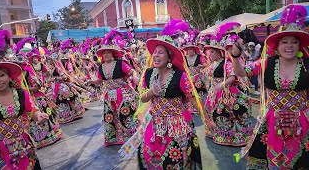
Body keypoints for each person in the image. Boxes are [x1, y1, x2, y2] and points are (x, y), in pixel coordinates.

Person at [229, 5, 309, 169]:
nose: (289, 46)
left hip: (301, 123)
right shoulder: (267, 64)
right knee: (271, 160)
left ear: (299, 45)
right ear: (277, 46)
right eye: (284, 42)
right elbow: (241, 72)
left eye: (294, 42)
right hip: (272, 122)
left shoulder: (307, 65)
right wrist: (235, 56)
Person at [133, 35, 203, 169]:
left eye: (161, 52)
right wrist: (151, 92)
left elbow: (194, 99)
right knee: (146, 154)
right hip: (153, 122)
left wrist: (207, 119)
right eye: (155, 53)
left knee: (175, 158)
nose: (156, 55)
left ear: (169, 57)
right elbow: (142, 98)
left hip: (176, 124)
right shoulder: (148, 74)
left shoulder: (180, 76)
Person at [0, 30, 48, 169]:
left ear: (9, 76)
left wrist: (37, 115)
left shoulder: (20, 94)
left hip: (23, 149)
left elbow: (29, 112)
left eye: (1, 75)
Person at [87, 30, 138, 146]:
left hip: (123, 93)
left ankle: (130, 134)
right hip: (108, 94)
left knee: (125, 113)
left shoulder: (120, 63)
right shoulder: (100, 68)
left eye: (108, 53)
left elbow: (131, 71)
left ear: (113, 54)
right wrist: (91, 82)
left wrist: (134, 77)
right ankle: (114, 137)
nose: (106, 55)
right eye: (104, 53)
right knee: (110, 116)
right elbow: (99, 81)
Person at [203, 33, 252, 145]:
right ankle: (216, 132)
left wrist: (222, 85)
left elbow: (232, 77)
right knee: (213, 111)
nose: (210, 54)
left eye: (212, 52)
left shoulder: (227, 64)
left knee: (227, 113)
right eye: (210, 52)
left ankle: (232, 136)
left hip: (226, 93)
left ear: (220, 53)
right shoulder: (213, 64)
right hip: (214, 92)